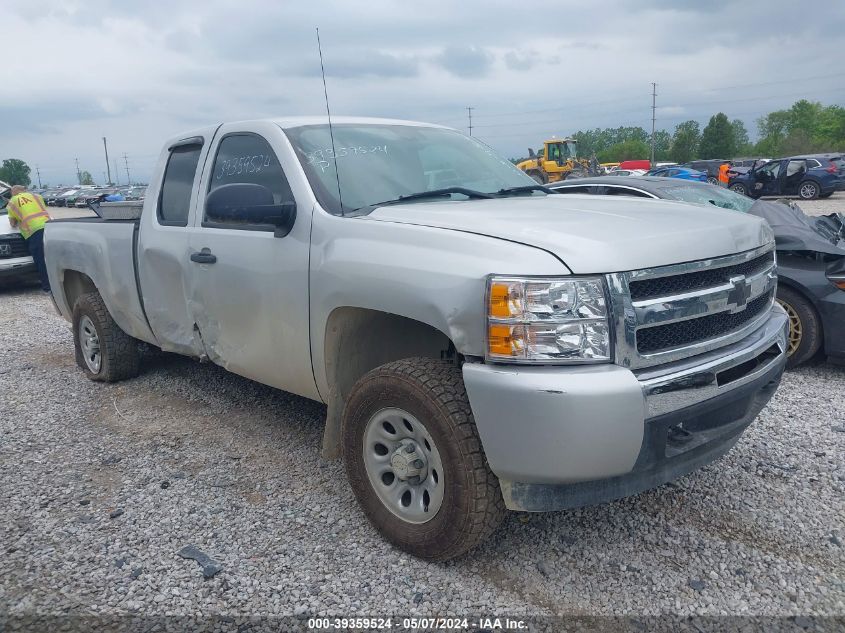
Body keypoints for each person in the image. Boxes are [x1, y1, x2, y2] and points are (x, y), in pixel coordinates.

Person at [6, 185, 51, 292]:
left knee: (40, 260)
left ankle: (47, 287)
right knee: (51, 257)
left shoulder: (13, 201)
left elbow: (12, 224)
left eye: (11, 192)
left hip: (34, 232)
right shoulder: (37, 196)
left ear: (14, 191)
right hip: (49, 227)